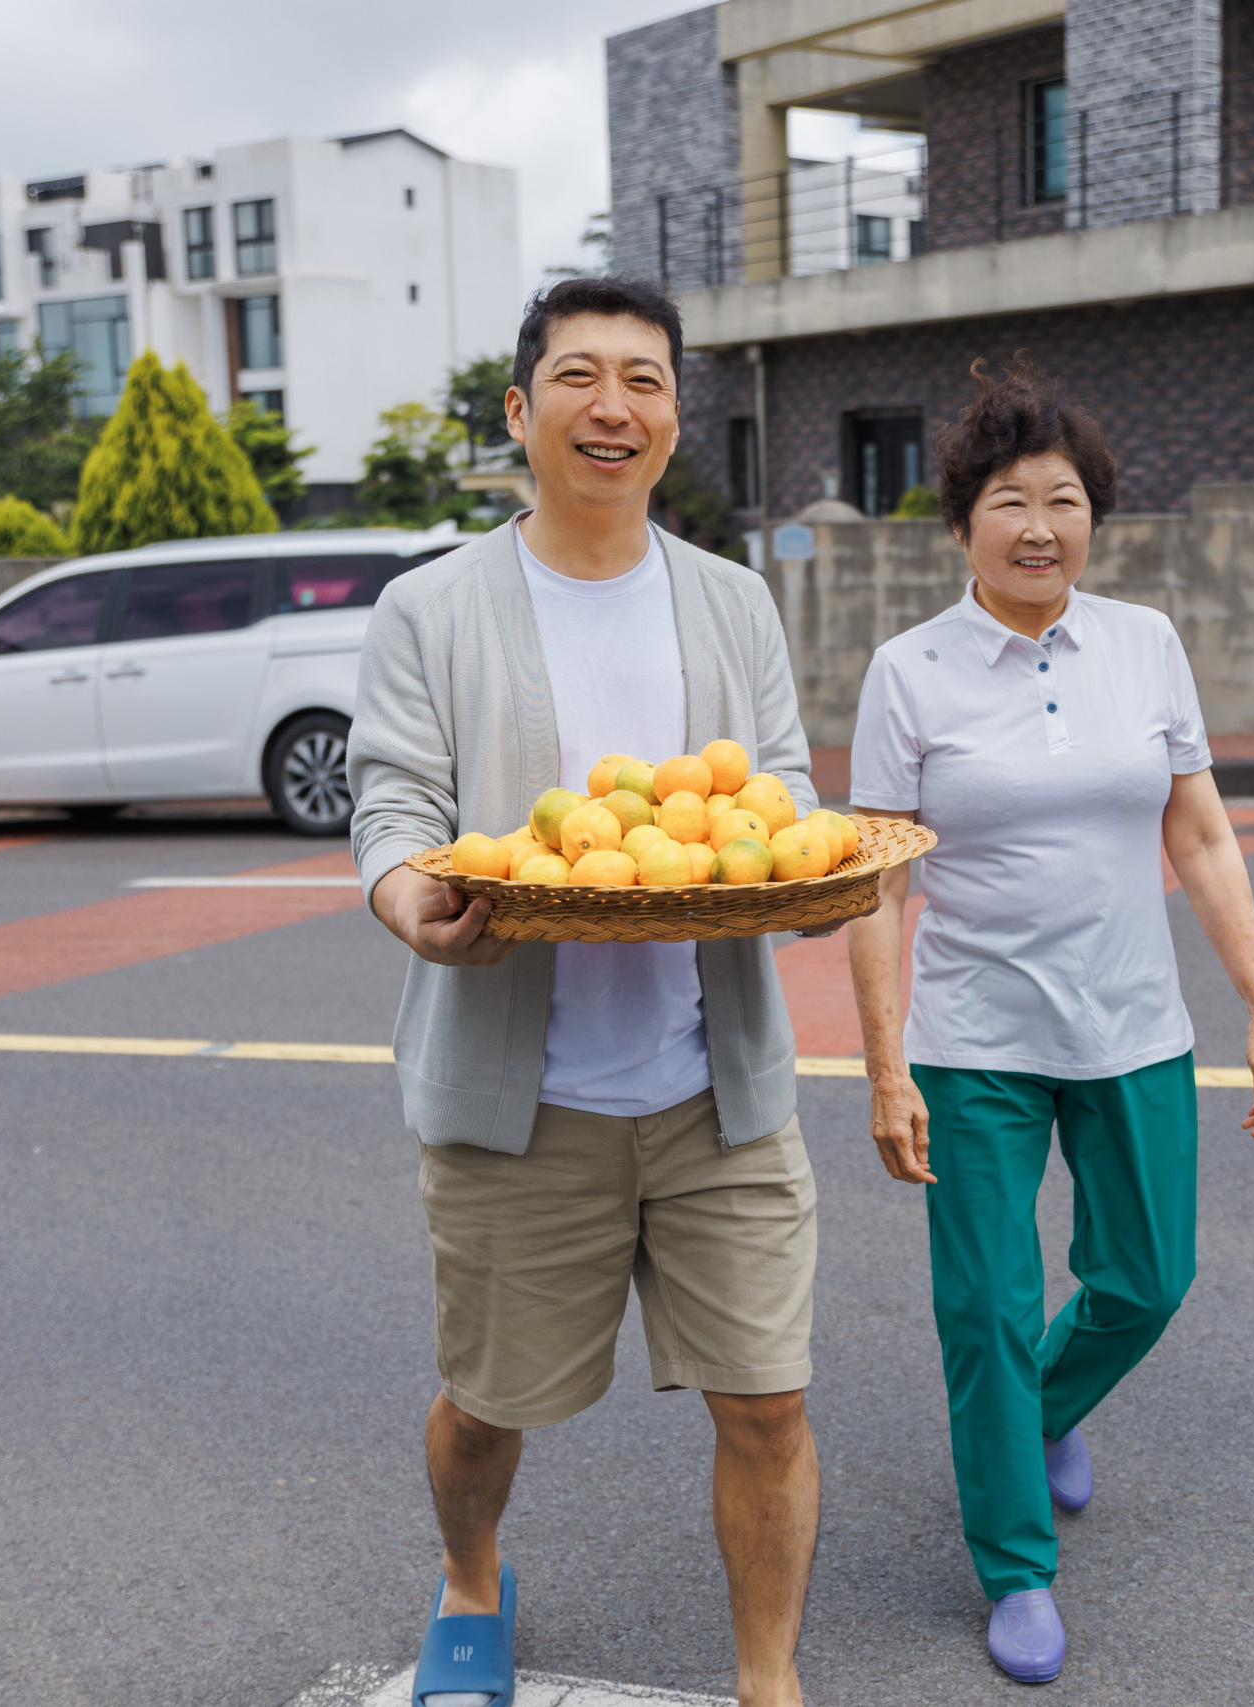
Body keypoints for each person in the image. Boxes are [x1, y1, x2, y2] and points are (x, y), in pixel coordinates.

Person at [347, 276, 822, 1707]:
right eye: (578, 376)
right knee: (490, 1410)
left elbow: (782, 787)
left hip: (714, 1086)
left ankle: (767, 1681)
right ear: (521, 407)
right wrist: (411, 909)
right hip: (521, 1100)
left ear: (676, 417)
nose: (612, 406)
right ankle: (473, 1581)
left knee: (770, 1401)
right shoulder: (431, 607)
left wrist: (791, 867)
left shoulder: (733, 602)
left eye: (646, 380)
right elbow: (391, 804)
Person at [842, 360, 1254, 1685]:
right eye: (1008, 502)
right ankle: (1015, 1563)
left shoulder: (1145, 643)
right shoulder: (909, 673)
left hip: (1134, 1023)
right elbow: (880, 882)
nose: (1039, 526)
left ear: (1092, 516)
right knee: (986, 1304)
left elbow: (1200, 835)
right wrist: (883, 1066)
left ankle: (1033, 1419)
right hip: (975, 1035)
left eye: (1063, 500)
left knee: (1149, 1277)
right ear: (963, 524)